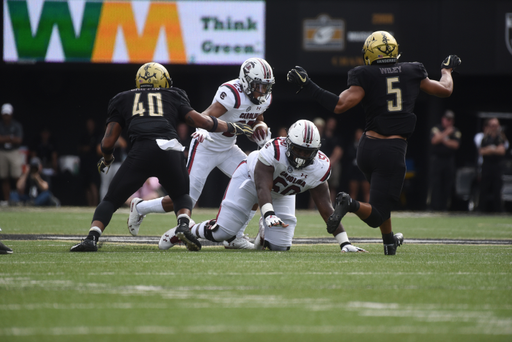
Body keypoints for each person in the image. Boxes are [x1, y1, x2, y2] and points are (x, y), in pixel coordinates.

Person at [287, 31, 460, 255]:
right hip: (392, 151)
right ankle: (349, 204)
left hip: (367, 148)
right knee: (377, 212)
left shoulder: (365, 74)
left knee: (380, 200)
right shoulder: (413, 70)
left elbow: (340, 105)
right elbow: (445, 89)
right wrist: (446, 70)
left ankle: (389, 241)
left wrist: (309, 85)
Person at [70, 62, 254, 252]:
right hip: (169, 150)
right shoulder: (173, 94)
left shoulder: (122, 98)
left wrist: (107, 158)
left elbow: (107, 143)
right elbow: (200, 120)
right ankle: (183, 225)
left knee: (110, 200)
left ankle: (92, 237)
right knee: (182, 195)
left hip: (140, 152)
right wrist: (232, 127)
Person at [127, 58, 274, 250]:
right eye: (258, 86)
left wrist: (260, 127)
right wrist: (204, 130)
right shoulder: (231, 92)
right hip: (206, 145)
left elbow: (256, 117)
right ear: (245, 81)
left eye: (265, 87)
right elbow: (205, 116)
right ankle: (140, 207)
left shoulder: (264, 97)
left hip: (228, 147)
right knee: (187, 199)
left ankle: (235, 237)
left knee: (256, 183)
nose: (262, 91)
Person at [159, 120, 366, 253]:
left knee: (280, 247)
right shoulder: (274, 150)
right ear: (288, 144)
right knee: (222, 233)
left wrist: (344, 242)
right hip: (249, 179)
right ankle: (186, 230)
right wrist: (268, 214)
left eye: (307, 152)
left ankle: (263, 234)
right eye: (299, 150)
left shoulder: (320, 166)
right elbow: (262, 186)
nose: (302, 156)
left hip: (283, 192)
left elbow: (325, 206)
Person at [428, 110, 461, 211]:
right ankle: (434, 207)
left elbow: (455, 145)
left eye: (451, 120)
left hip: (449, 160)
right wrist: (446, 134)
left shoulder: (456, 131)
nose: (449, 122)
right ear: (443, 119)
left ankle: (444, 207)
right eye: (447, 119)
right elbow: (434, 141)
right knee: (436, 183)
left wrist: (442, 138)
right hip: (437, 160)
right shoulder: (436, 128)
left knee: (447, 184)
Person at [309, 117, 343, 208]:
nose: (318, 128)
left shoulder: (333, 138)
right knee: (313, 185)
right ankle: (311, 208)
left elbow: (338, 151)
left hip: (330, 164)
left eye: (320, 126)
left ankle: (330, 207)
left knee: (331, 186)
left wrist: (329, 162)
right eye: (317, 126)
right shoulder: (312, 139)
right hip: (316, 165)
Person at [478, 117, 509, 212]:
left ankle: (498, 210)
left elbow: (502, 151)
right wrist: (494, 149)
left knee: (497, 188)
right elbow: (482, 151)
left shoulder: (500, 138)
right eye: (492, 125)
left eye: (495, 125)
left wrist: (490, 149)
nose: (494, 128)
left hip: (497, 166)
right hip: (487, 166)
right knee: (484, 188)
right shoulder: (485, 138)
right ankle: (481, 209)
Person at [0, 103, 24, 206]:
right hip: (2, 152)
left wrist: (4, 139)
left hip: (14, 152)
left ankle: (21, 199)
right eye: (4, 114)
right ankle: (6, 200)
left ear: (11, 114)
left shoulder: (16, 125)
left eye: (8, 114)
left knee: (17, 176)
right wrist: (10, 138)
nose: (6, 116)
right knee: (4, 177)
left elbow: (19, 140)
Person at [96, 132, 127, 200]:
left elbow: (124, 144)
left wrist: (115, 136)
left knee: (117, 184)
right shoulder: (103, 136)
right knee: (105, 184)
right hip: (106, 163)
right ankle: (103, 203)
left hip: (117, 163)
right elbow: (98, 150)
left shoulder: (117, 135)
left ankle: (116, 203)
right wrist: (108, 146)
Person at [78, 118, 102, 206]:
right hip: (84, 164)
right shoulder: (84, 135)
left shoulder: (97, 135)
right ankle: (89, 205)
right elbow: (79, 148)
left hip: (94, 164)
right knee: (86, 185)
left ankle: (95, 204)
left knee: (93, 184)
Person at [346, 128, 370, 202]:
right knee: (353, 192)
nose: (358, 136)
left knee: (366, 192)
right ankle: (351, 209)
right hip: (354, 171)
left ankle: (370, 209)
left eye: (360, 134)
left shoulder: (367, 146)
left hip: (364, 171)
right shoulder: (351, 145)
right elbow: (349, 156)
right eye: (357, 134)